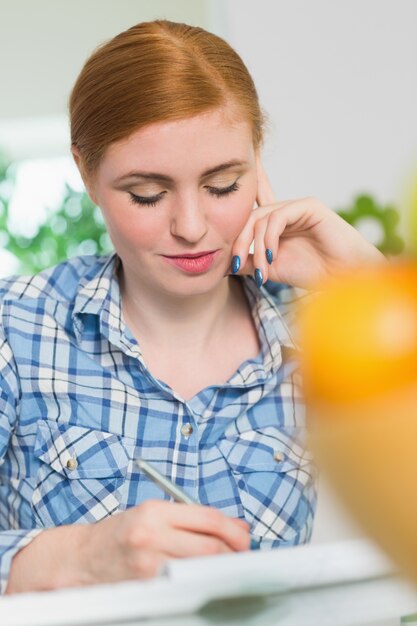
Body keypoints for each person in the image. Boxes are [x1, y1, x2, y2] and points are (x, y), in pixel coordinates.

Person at [0, 20, 383, 594]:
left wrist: (367, 284)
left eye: (224, 185)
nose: (192, 227)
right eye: (147, 194)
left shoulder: (321, 331)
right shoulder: (19, 327)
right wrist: (76, 555)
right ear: (85, 171)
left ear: (257, 155)